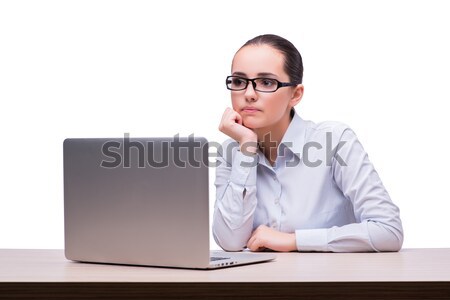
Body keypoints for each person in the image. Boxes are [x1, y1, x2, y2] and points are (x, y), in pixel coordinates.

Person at [212, 34, 403, 253]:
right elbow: (230, 242)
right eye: (239, 81)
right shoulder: (231, 151)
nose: (248, 94)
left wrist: (294, 241)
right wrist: (246, 146)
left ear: (295, 94)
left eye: (266, 82)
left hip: (328, 282)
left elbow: (389, 231)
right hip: (260, 284)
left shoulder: (335, 140)